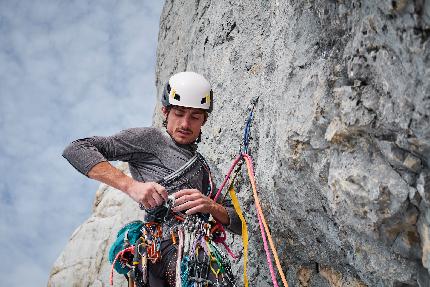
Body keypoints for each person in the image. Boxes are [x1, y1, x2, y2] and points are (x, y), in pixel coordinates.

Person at [63, 71, 241, 286]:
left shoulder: (205, 169)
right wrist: (131, 186)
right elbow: (77, 149)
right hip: (160, 249)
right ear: (165, 111)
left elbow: (239, 224)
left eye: (195, 116)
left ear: (204, 120)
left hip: (196, 248)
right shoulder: (150, 139)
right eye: (179, 113)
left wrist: (212, 206)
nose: (185, 123)